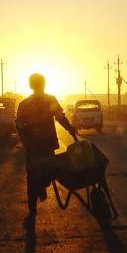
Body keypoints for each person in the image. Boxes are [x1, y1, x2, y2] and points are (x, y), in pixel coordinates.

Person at [15, 73, 77, 229]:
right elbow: (60, 117)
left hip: (39, 146)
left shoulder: (31, 103)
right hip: (38, 147)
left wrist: (70, 128)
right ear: (43, 84)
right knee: (39, 176)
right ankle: (33, 211)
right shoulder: (34, 102)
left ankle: (39, 193)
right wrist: (70, 128)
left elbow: (19, 126)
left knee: (40, 177)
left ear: (31, 85)